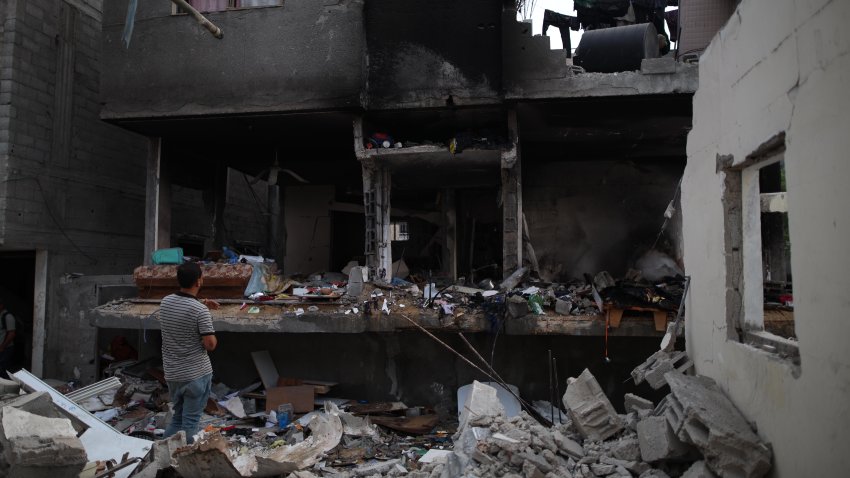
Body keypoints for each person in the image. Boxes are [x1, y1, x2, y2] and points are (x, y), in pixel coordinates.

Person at [161, 262, 219, 443]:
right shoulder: (200, 311)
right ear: (199, 281)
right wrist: (205, 312)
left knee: (177, 418)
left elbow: (182, 308)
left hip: (173, 374)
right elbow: (210, 344)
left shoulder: (165, 302)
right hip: (196, 375)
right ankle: (185, 464)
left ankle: (163, 457)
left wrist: (202, 305)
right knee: (191, 423)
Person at [0, 298, 15, 379]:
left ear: (1, 305)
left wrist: (2, 347)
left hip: (5, 349)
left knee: (3, 371)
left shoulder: (8, 317)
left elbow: (11, 333)